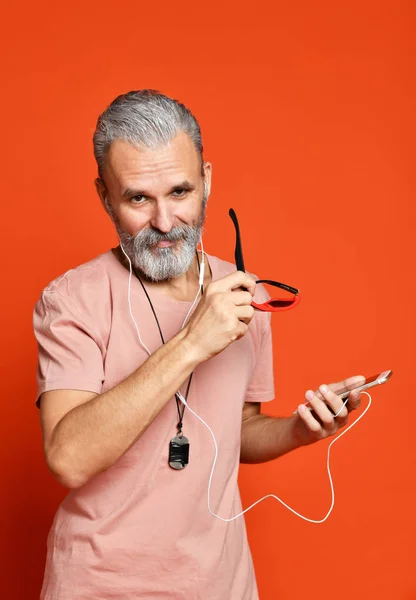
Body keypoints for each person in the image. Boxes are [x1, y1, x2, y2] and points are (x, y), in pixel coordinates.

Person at [33, 89, 363, 600]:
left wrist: (300, 430)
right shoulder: (71, 300)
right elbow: (68, 458)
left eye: (181, 192)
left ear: (206, 180)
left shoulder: (241, 293)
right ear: (104, 196)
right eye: (138, 198)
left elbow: (240, 428)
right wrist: (192, 341)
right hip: (100, 586)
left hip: (220, 584)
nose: (165, 223)